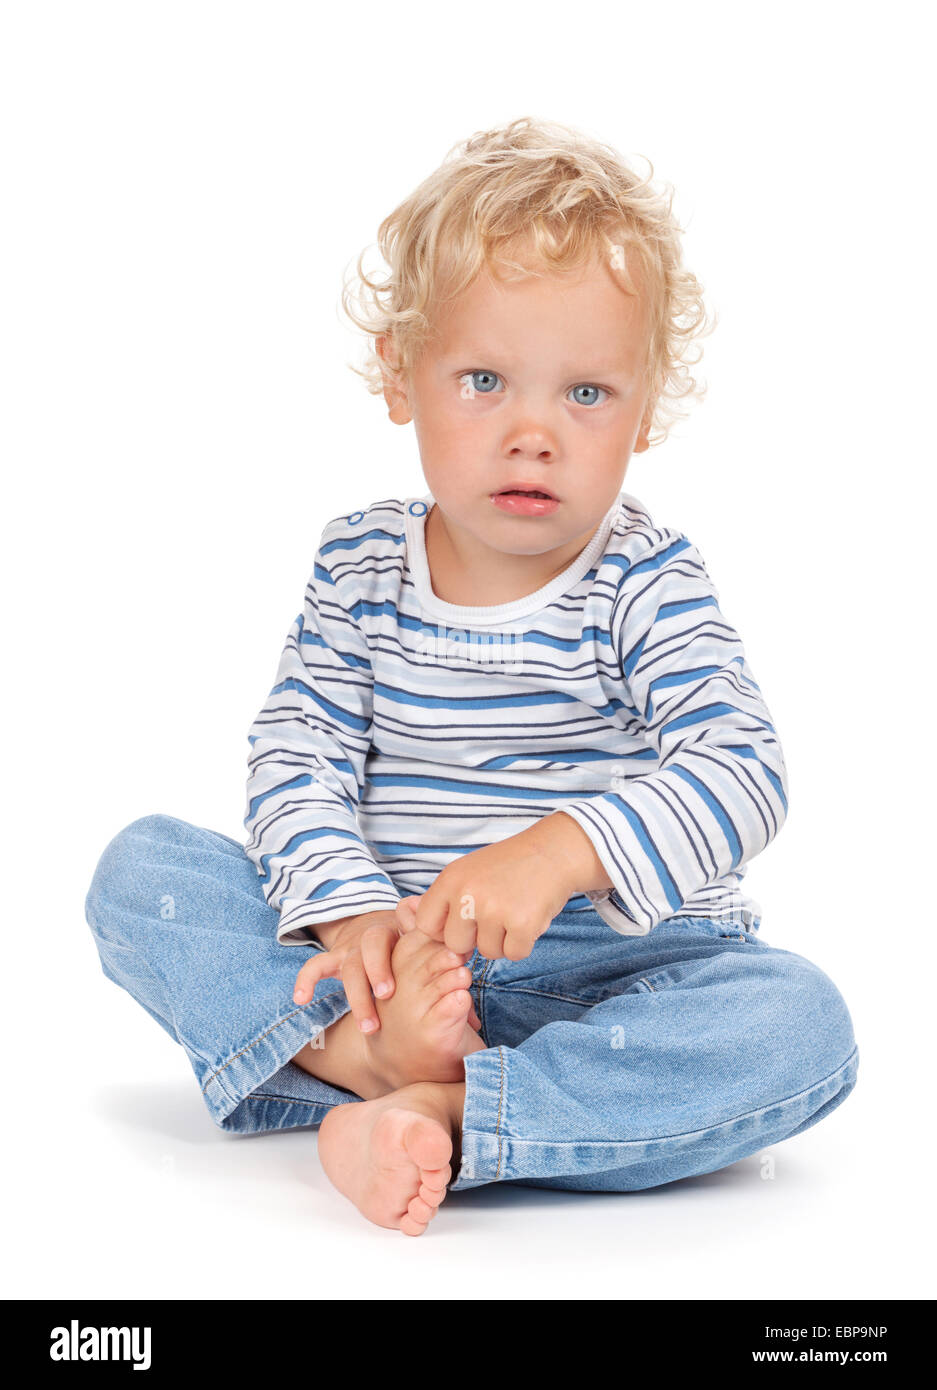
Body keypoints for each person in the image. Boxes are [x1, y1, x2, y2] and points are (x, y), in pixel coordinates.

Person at [85, 117, 859, 1236]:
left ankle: (441, 1113)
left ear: (641, 414)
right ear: (403, 379)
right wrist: (349, 921)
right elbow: (296, 752)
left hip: (612, 975)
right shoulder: (360, 565)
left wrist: (562, 849)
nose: (531, 432)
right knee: (142, 870)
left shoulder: (646, 579)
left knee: (798, 1026)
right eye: (485, 380)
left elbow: (742, 768)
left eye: (584, 394)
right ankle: (362, 1051)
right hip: (384, 961)